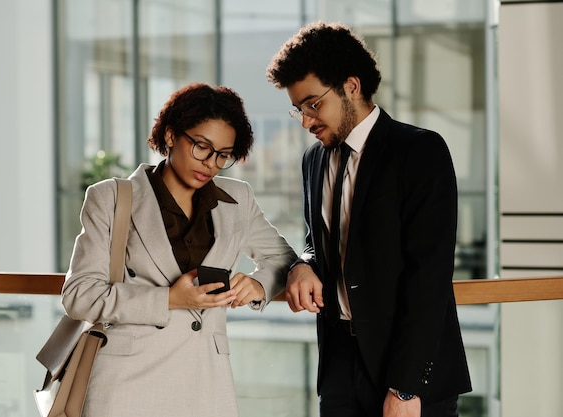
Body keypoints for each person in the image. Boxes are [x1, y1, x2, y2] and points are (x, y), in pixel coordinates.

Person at [266, 21, 472, 417]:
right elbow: (317, 239)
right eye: (298, 110)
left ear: (352, 87)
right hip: (339, 365)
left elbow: (428, 276)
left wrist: (406, 388)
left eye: (313, 104)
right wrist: (303, 264)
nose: (306, 121)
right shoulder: (313, 160)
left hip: (406, 371)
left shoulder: (419, 151)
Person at [62, 83, 297, 417]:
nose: (211, 163)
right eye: (201, 147)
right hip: (126, 384)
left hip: (206, 381)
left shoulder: (238, 200)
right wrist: (170, 299)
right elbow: (79, 296)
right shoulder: (111, 198)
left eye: (223, 155)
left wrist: (259, 285)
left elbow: (284, 259)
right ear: (171, 136)